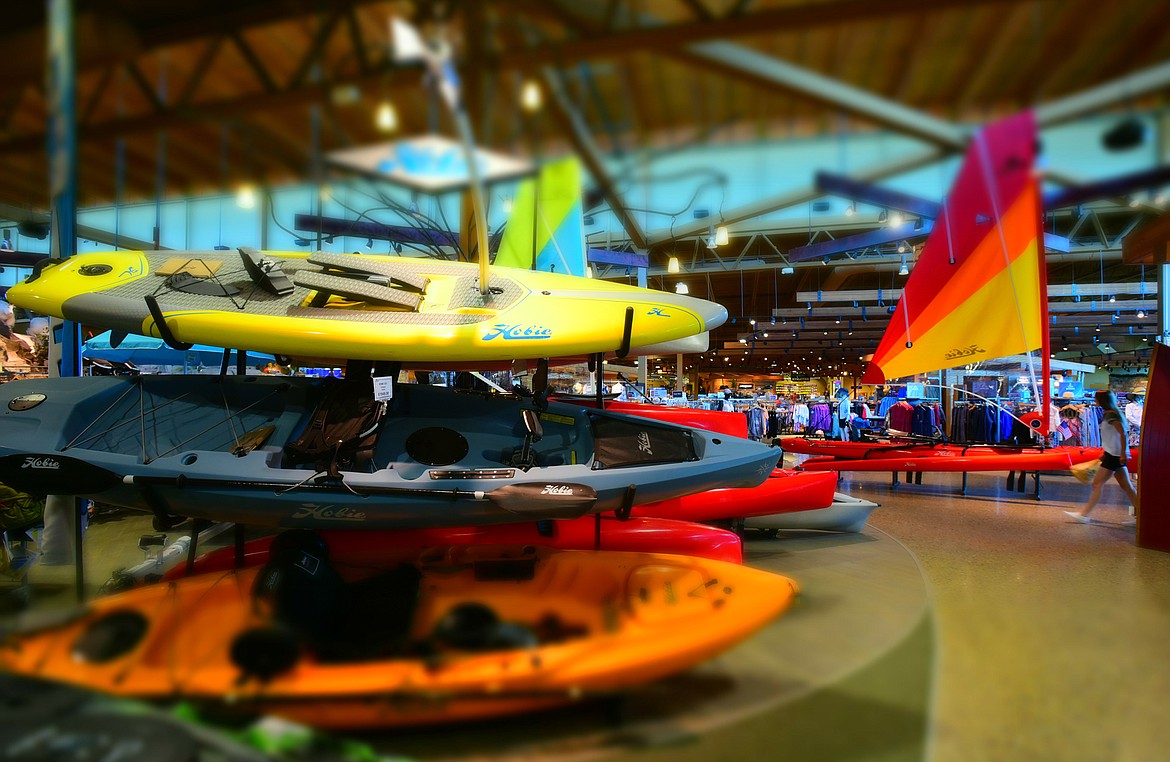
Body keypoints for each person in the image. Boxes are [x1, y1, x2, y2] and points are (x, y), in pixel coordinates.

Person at [1065, 390, 1138, 523]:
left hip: (1115, 455)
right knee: (1127, 486)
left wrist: (1121, 453)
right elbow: (1114, 436)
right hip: (1113, 454)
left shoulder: (1112, 415)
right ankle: (1140, 517)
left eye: (1096, 398)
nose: (1094, 400)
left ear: (1102, 400)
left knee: (1097, 483)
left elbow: (1123, 434)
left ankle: (1084, 515)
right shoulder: (1111, 414)